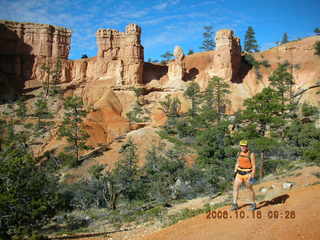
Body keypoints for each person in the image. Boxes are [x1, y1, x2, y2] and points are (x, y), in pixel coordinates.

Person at [230, 140, 257, 211]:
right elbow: (237, 163)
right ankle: (234, 204)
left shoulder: (251, 154)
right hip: (239, 173)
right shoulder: (238, 153)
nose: (243, 147)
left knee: (249, 189)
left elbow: (254, 165)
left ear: (247, 146)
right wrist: (235, 172)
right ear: (240, 146)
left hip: (247, 174)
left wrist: (252, 175)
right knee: (235, 188)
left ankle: (253, 204)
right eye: (242, 146)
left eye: (244, 146)